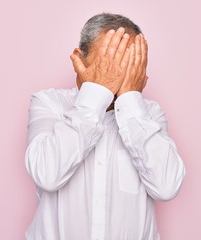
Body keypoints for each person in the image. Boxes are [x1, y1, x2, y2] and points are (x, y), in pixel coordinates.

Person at [24, 13, 186, 240]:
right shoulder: (49, 104)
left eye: (127, 64)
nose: (116, 75)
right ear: (79, 59)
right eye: (108, 63)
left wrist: (130, 99)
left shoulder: (150, 114)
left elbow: (167, 187)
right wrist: (97, 94)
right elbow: (48, 174)